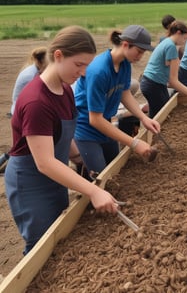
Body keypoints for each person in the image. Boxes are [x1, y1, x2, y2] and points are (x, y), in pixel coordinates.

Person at [5, 26, 119, 255]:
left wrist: (79, 160)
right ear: (58, 56)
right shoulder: (36, 101)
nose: (84, 72)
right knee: (41, 247)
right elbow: (44, 162)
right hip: (31, 182)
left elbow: (63, 138)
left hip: (55, 174)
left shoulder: (65, 90)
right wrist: (93, 192)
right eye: (79, 65)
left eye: (87, 65)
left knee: (60, 236)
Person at [74, 25, 160, 175]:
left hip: (105, 122)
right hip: (86, 128)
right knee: (102, 176)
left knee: (117, 168)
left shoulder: (125, 64)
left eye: (143, 52)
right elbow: (94, 119)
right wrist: (134, 143)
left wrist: (143, 118)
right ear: (125, 44)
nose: (140, 56)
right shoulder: (99, 71)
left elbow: (124, 92)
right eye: (139, 51)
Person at [140, 21, 187, 118]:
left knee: (162, 110)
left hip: (152, 83)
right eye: (185, 38)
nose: (185, 41)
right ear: (178, 33)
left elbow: (166, 65)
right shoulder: (171, 46)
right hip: (153, 84)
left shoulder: (167, 42)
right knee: (160, 116)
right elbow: (174, 82)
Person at [10, 46, 48, 116]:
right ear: (41, 62)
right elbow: (37, 97)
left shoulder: (35, 69)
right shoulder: (31, 76)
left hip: (23, 106)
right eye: (48, 65)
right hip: (21, 111)